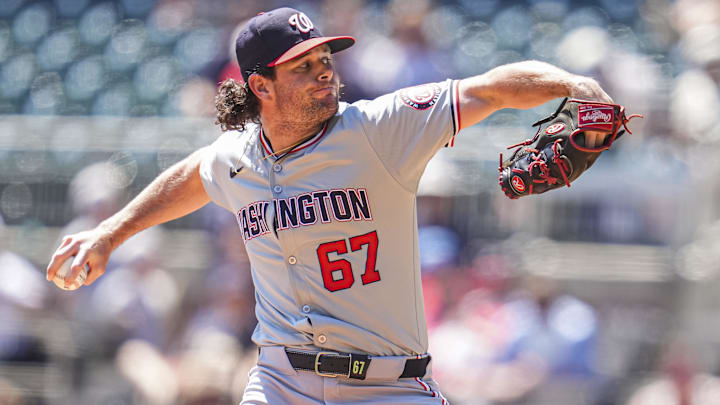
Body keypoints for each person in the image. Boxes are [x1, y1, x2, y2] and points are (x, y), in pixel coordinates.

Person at [46, 7, 614, 404]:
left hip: (390, 387)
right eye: (302, 65)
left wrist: (574, 84)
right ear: (260, 86)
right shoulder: (237, 156)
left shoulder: (379, 127)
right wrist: (110, 233)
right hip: (279, 382)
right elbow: (194, 173)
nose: (324, 70)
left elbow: (486, 89)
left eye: (325, 58)